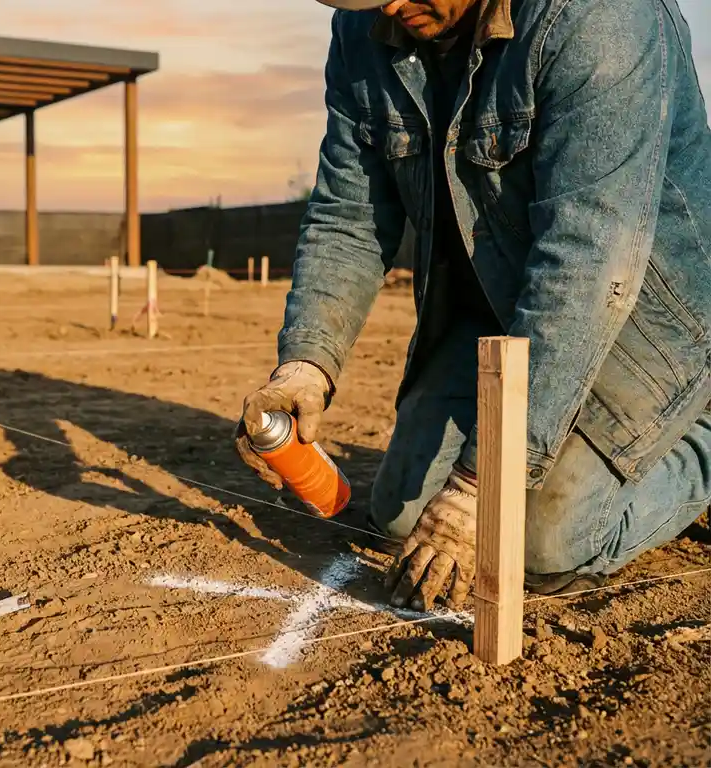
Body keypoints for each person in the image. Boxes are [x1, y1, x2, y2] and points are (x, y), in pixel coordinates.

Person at [235, 0, 711, 612]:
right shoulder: (364, 28)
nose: (392, 8)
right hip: (495, 308)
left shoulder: (599, 17)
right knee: (405, 518)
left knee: (542, 546)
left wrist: (479, 482)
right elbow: (346, 215)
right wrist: (305, 365)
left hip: (642, 321)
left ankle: (699, 437)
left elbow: (587, 262)